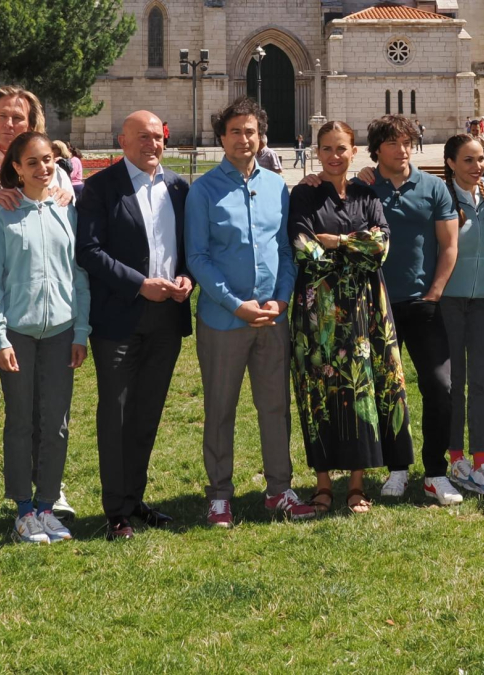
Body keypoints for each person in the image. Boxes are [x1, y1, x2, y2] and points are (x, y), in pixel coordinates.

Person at [184, 98, 314, 527]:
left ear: (262, 137)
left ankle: (279, 489)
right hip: (224, 319)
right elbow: (198, 257)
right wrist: (235, 303)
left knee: (275, 407)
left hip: (272, 319)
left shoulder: (277, 186)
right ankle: (219, 495)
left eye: (252, 132)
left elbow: (284, 250)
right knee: (220, 408)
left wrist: (281, 299)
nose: (245, 139)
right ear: (222, 137)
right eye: (236, 131)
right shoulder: (203, 190)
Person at [75, 111, 193, 540]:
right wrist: (139, 284)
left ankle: (135, 498)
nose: (152, 145)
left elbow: (188, 248)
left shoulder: (178, 188)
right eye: (142, 138)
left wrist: (186, 278)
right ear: (121, 140)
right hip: (120, 316)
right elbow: (88, 250)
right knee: (117, 413)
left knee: (147, 413)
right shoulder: (101, 188)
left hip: (167, 316)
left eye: (158, 137)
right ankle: (116, 511)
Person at [287, 120, 412, 514]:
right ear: (316, 152)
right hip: (318, 316)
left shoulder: (366, 194)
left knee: (362, 390)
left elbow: (382, 246)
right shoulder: (304, 195)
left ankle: (357, 485)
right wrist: (352, 251)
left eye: (342, 148)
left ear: (354, 151)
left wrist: (339, 242)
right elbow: (303, 246)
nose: (335, 156)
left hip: (364, 310)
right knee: (318, 394)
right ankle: (323, 485)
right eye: (327, 149)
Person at [0, 85, 76, 519]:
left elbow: (64, 233)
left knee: (47, 412)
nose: (11, 125)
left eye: (20, 118)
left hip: (41, 315)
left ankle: (47, 490)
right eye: (4, 117)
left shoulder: (54, 174)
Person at [0, 131, 91, 544]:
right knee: (21, 421)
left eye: (49, 160)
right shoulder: (3, 215)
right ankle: (24, 508)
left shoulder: (67, 211)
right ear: (16, 169)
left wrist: (81, 330)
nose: (44, 168)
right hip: (18, 335)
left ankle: (47, 506)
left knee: (56, 424)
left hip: (62, 333)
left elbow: (79, 277)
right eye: (33, 162)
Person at [342, 116, 461, 504]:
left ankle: (436, 472)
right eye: (393, 143)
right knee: (387, 391)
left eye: (408, 141)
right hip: (375, 307)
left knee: (440, 388)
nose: (403, 149)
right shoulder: (361, 188)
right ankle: (397, 467)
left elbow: (448, 245)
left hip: (423, 305)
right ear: (376, 150)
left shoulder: (433, 187)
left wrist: (435, 292)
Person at [439, 134, 484, 496]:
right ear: (450, 163)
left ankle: (482, 461)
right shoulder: (440, 195)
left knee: (483, 382)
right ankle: (456, 457)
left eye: (481, 158)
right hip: (450, 301)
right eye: (468, 160)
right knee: (455, 384)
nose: (477, 166)